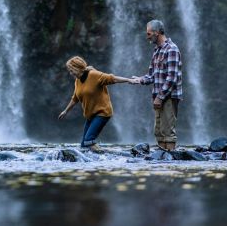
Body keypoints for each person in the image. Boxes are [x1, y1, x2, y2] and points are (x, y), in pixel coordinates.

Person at [58, 55, 139, 152]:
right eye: (69, 71)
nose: (70, 73)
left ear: (78, 68)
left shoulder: (94, 75)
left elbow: (112, 78)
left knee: (88, 141)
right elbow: (75, 98)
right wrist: (65, 111)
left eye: (71, 70)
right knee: (84, 145)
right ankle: (97, 159)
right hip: (90, 115)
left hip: (102, 113)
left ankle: (104, 156)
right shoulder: (77, 81)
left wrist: (129, 80)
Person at [132, 19, 182, 151]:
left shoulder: (172, 49)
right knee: (159, 132)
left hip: (168, 97)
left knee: (168, 133)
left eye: (149, 33)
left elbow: (172, 77)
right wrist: (140, 80)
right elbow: (152, 75)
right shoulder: (157, 50)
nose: (147, 36)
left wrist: (160, 97)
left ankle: (170, 162)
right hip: (158, 98)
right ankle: (161, 164)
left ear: (157, 32)